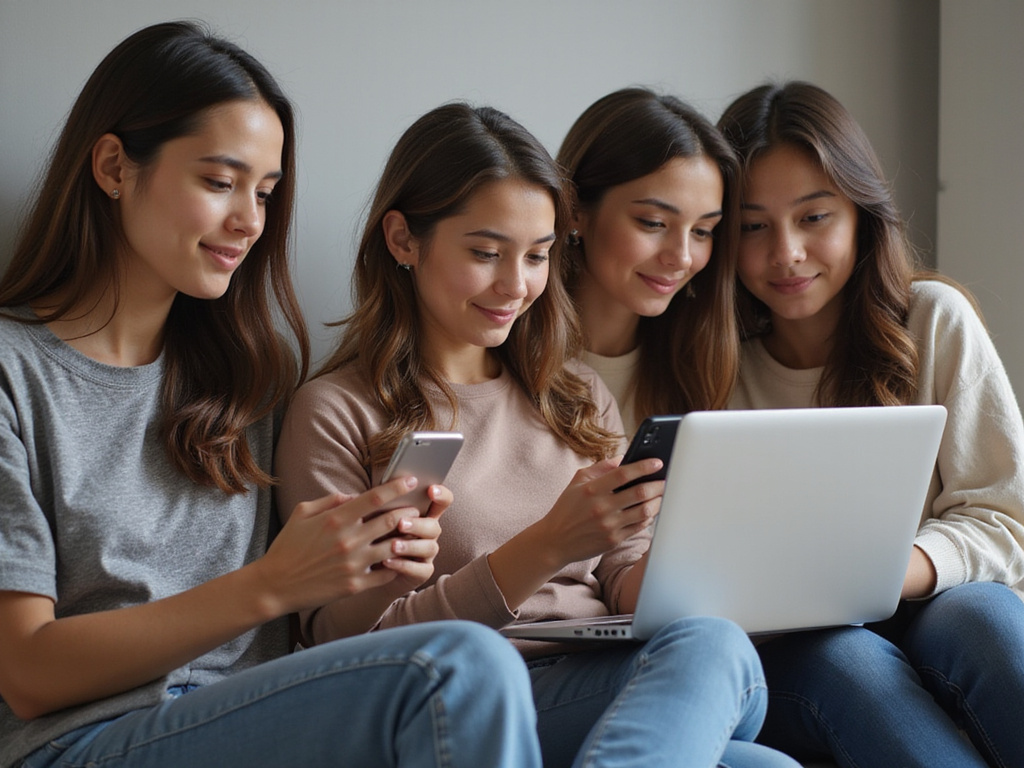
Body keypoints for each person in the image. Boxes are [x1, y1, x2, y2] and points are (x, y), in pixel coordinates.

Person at [0, 21, 543, 768]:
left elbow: (312, 627)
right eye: (219, 182)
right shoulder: (14, 371)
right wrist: (272, 584)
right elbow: (28, 672)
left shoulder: (247, 376)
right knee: (460, 665)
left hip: (265, 720)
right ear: (114, 166)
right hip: (82, 741)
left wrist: (366, 565)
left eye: (264, 192)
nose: (249, 221)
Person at [275, 102, 800, 768]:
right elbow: (347, 649)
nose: (516, 285)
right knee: (720, 667)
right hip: (472, 698)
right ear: (403, 239)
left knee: (756, 730)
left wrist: (717, 566)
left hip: (604, 672)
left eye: (537, 256)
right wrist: (549, 544)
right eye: (486, 253)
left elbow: (623, 574)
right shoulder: (337, 413)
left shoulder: (575, 394)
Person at [717, 80, 1024, 768]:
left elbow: (1005, 518)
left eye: (814, 217)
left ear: (860, 213)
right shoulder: (713, 365)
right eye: (753, 226)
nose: (786, 253)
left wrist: (882, 572)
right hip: (795, 650)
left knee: (983, 617)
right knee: (850, 659)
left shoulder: (932, 318)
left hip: (941, 606)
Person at [558, 87, 741, 435]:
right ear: (575, 209)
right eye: (654, 223)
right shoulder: (498, 362)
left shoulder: (698, 372)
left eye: (702, 231)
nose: (681, 257)